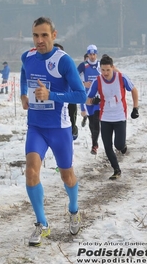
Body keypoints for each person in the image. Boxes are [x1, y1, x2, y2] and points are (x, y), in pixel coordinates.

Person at [20, 17, 86, 247]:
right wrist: (23, 94)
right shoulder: (27, 57)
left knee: (67, 175)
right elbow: (23, 73)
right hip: (36, 127)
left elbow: (81, 95)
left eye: (44, 35)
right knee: (30, 171)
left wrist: (52, 96)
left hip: (60, 129)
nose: (39, 40)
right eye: (36, 35)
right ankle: (42, 224)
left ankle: (74, 210)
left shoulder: (64, 61)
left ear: (54, 35)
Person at [86, 55, 139, 179]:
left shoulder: (121, 77)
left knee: (119, 145)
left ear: (113, 68)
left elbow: (134, 90)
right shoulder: (97, 81)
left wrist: (135, 108)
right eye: (102, 70)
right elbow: (88, 100)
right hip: (105, 118)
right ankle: (116, 170)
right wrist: (94, 101)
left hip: (120, 116)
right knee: (107, 147)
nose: (105, 73)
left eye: (107, 70)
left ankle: (123, 146)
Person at [78, 44, 101, 155]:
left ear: (96, 54)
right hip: (88, 99)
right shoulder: (83, 65)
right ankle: (94, 142)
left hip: (99, 98)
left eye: (94, 54)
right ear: (87, 54)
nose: (92, 56)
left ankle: (94, 146)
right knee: (92, 123)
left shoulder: (100, 65)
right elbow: (73, 76)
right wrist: (83, 83)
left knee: (96, 120)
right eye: (90, 54)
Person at [54, 43, 78, 140]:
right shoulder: (47, 66)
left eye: (59, 51)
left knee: (71, 119)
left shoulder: (68, 65)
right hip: (54, 98)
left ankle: (73, 130)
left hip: (69, 97)